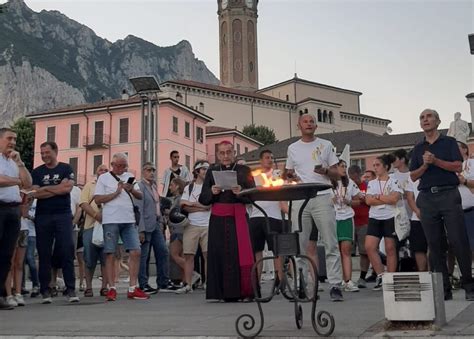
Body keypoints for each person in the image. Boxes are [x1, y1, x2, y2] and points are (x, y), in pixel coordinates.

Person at [410, 109, 474, 301]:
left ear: (437, 121)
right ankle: (443, 288)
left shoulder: (449, 143)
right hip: (427, 198)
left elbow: (457, 166)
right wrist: (424, 165)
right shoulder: (418, 148)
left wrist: (436, 161)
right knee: (435, 245)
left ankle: (469, 285)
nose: (425, 120)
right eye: (422, 117)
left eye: (429, 117)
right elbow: (413, 175)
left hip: (448, 194)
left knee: (458, 240)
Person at [284, 113, 344, 302]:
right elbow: (288, 173)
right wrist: (290, 177)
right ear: (299, 126)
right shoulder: (292, 148)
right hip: (301, 197)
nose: (308, 124)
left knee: (330, 242)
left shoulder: (326, 145)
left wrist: (325, 171)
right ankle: (303, 285)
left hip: (323, 196)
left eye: (312, 122)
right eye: (305, 121)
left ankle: (335, 284)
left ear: (316, 127)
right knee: (300, 244)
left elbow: (337, 173)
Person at [199, 141, 255, 301]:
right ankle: (221, 293)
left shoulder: (244, 170)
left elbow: (254, 196)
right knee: (218, 254)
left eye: (228, 152)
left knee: (241, 255)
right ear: (217, 155)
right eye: (222, 153)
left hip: (238, 216)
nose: (225, 156)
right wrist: (212, 191)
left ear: (234, 153)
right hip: (218, 218)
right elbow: (204, 199)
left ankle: (245, 292)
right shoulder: (212, 171)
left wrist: (242, 192)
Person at [94, 153, 148, 301]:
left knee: (136, 251)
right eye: (119, 165)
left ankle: (133, 287)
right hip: (111, 219)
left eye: (124, 165)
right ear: (113, 164)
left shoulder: (129, 176)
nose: (122, 168)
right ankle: (112, 288)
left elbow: (140, 196)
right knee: (110, 253)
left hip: (129, 220)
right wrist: (116, 192)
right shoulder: (104, 178)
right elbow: (97, 198)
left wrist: (131, 189)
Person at [31, 141, 78, 304]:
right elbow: (35, 194)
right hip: (43, 216)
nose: (44, 156)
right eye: (42, 153)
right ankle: (45, 290)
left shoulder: (66, 168)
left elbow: (67, 189)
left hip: (63, 214)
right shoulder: (37, 172)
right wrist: (56, 188)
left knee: (66, 249)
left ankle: (70, 289)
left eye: (47, 152)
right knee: (44, 253)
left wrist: (46, 189)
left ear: (55, 151)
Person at [0, 128, 32, 310]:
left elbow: (27, 182)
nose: (12, 142)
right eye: (9, 138)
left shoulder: (13, 162)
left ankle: (1, 295)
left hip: (13, 210)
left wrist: (20, 164)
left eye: (15, 139)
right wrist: (17, 181)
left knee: (6, 256)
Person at [248, 150, 287, 287]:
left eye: (271, 157)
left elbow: (283, 196)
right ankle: (256, 282)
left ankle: (279, 279)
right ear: (260, 160)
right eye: (266, 157)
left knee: (277, 250)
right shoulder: (255, 176)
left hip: (274, 216)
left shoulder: (277, 176)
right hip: (256, 216)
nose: (270, 160)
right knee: (257, 250)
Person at [365, 154, 402, 291]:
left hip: (390, 216)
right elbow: (368, 201)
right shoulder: (372, 183)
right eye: (373, 165)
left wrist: (379, 197)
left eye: (377, 165)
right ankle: (380, 274)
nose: (375, 168)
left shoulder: (394, 180)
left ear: (386, 166)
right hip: (375, 217)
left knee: (390, 248)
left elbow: (394, 199)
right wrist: (385, 198)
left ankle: (391, 278)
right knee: (370, 247)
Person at [136, 162, 174, 294]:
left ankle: (163, 282)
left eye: (153, 170)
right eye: (148, 170)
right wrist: (140, 229)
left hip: (157, 223)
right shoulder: (140, 186)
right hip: (145, 225)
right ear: (143, 172)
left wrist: (162, 219)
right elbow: (138, 209)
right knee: (144, 256)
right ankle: (143, 284)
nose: (151, 172)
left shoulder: (153, 186)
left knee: (163, 251)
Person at [176, 160, 212, 294]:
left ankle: (207, 282)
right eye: (203, 169)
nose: (206, 171)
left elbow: (209, 206)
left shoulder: (209, 187)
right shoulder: (189, 187)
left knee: (207, 255)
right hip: (191, 225)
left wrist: (194, 205)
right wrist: (201, 206)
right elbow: (183, 204)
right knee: (188, 255)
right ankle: (188, 284)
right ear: (197, 171)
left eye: (207, 169)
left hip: (207, 224)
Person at [79, 164, 109, 297]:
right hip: (90, 226)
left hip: (107, 226)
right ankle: (89, 287)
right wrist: (96, 215)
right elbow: (83, 203)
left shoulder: (111, 185)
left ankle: (104, 287)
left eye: (106, 170)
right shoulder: (89, 185)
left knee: (106, 258)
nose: (103, 171)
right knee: (89, 258)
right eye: (101, 170)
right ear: (96, 173)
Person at [333, 160, 362, 292]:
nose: (344, 169)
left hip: (345, 217)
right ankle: (336, 281)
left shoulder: (350, 183)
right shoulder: (327, 182)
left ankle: (348, 281)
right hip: (332, 219)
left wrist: (349, 201)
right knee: (334, 251)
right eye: (341, 166)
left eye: (345, 166)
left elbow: (359, 200)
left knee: (346, 250)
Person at [347, 165, 370, 288]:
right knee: (348, 251)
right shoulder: (348, 186)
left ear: (359, 175)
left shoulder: (366, 186)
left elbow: (370, 201)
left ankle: (362, 277)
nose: (353, 181)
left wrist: (362, 199)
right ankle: (347, 278)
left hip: (364, 221)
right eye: (351, 178)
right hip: (351, 221)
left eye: (355, 178)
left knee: (364, 251)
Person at [5, 200, 30, 307]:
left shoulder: (23, 193)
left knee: (19, 263)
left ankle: (18, 292)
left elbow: (25, 213)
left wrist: (27, 201)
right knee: (9, 263)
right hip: (11, 226)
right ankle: (8, 294)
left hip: (23, 228)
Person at [167, 177, 187, 286]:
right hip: (181, 230)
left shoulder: (179, 200)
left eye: (171, 185)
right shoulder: (178, 199)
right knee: (182, 255)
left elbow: (176, 215)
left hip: (177, 230)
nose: (170, 187)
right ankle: (185, 280)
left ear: (177, 186)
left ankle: (192, 273)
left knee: (174, 254)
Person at [456, 142, 474, 262]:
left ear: (464, 150)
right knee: (460, 244)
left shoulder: (472, 163)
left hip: (470, 208)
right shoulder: (452, 166)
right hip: (455, 211)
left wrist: (464, 181)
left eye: (457, 147)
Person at [405, 178, 428, 271]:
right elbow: (410, 197)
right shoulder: (412, 177)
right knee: (418, 248)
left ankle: (432, 272)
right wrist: (417, 211)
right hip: (417, 218)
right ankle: (423, 273)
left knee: (433, 246)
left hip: (434, 216)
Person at [22, 198, 40, 298]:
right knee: (20, 261)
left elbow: (39, 219)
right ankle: (21, 286)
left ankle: (36, 284)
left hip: (32, 234)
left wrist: (28, 216)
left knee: (30, 258)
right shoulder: (22, 201)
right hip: (21, 232)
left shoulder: (37, 202)